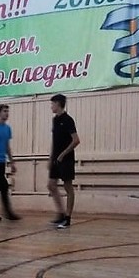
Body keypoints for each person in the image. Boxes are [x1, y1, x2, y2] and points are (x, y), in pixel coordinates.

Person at [48, 94, 80, 229]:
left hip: (66, 159)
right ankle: (60, 213)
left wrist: (63, 154)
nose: (51, 106)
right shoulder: (55, 120)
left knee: (68, 187)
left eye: (52, 104)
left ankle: (67, 218)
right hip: (56, 159)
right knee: (51, 185)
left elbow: (76, 140)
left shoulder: (68, 120)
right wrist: (51, 157)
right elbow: (54, 141)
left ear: (58, 104)